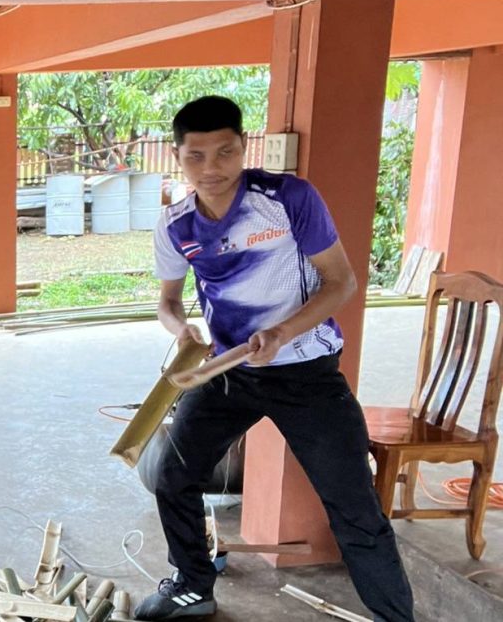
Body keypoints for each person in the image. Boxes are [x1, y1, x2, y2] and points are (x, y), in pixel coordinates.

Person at [134, 95, 414, 622]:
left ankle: (395, 616)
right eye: (196, 156)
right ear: (177, 157)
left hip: (307, 374)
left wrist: (282, 333)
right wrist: (182, 330)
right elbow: (168, 302)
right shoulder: (175, 225)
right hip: (228, 373)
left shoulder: (287, 199)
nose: (211, 168)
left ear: (244, 148)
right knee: (173, 475)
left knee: (353, 505)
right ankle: (193, 585)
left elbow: (341, 282)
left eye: (225, 152)